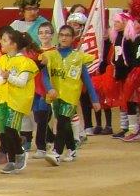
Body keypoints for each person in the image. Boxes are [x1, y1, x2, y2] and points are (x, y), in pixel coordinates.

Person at [39, 24, 99, 164]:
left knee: (63, 121)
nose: (64, 38)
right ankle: (72, 149)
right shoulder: (50, 55)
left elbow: (87, 80)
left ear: (73, 38)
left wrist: (94, 99)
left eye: (67, 35)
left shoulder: (78, 57)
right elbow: (44, 75)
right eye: (62, 35)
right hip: (56, 95)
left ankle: (56, 152)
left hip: (71, 96)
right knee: (63, 123)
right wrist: (49, 88)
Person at [0, 27, 38, 174]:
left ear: (14, 44)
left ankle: (19, 154)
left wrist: (8, 77)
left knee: (10, 129)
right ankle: (11, 160)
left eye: (5, 40)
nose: (1, 43)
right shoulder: (1, 60)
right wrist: (5, 77)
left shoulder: (25, 63)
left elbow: (22, 82)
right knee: (3, 132)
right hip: (2, 99)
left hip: (17, 101)